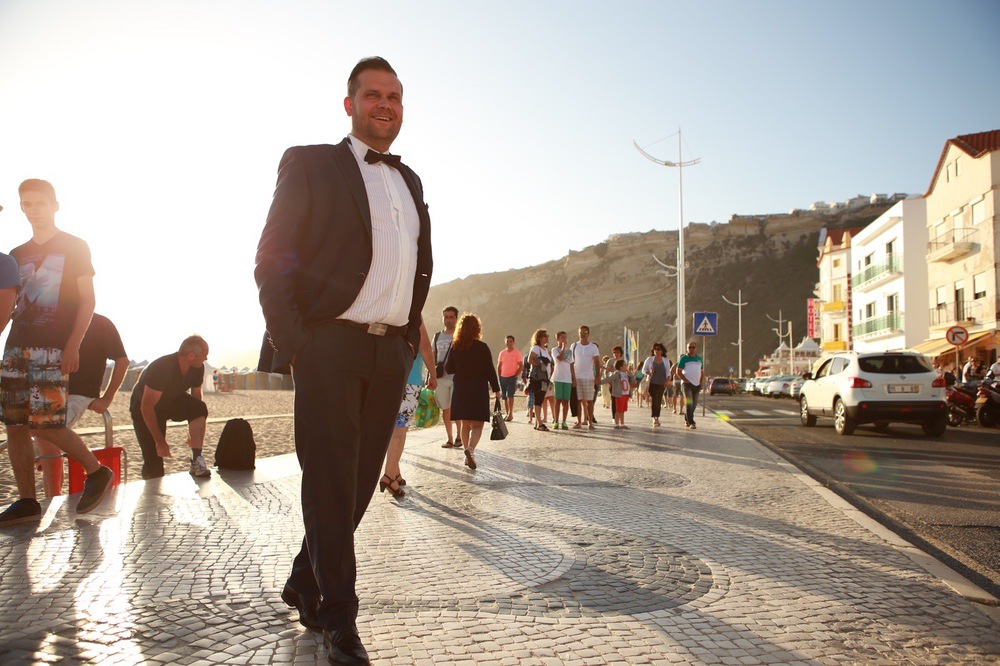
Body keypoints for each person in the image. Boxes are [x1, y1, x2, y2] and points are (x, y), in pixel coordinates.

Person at [255, 57, 432, 665]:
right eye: (374, 94)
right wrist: (298, 342)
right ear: (350, 103)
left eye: (396, 96)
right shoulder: (310, 163)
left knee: (357, 485)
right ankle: (339, 619)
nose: (386, 104)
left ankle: (306, 578)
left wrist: (409, 338)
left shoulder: (409, 182)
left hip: (390, 351)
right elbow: (272, 257)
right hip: (330, 345)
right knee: (330, 483)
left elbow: (416, 266)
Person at [0, 179, 113, 528]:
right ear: (21, 207)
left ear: (55, 205)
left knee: (45, 423)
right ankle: (27, 500)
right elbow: (10, 305)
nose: (34, 209)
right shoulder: (16, 254)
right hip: (16, 345)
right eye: (27, 203)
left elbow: (88, 301)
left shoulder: (75, 246)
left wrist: (73, 345)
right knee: (15, 425)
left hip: (53, 348)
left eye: (40, 203)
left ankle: (97, 471)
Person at [34, 313, 129, 497]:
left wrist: (107, 397)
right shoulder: (52, 317)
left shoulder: (100, 323)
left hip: (80, 392)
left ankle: (53, 497)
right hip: (49, 387)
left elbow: (122, 360)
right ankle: (51, 495)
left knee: (47, 429)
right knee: (38, 431)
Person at [130, 336, 211, 479]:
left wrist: (193, 427)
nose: (206, 358)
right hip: (145, 408)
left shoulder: (198, 368)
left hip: (171, 401)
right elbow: (147, 407)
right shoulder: (162, 367)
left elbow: (196, 398)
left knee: (199, 407)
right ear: (191, 356)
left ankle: (197, 460)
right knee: (154, 461)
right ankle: (151, 498)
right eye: (204, 354)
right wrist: (159, 440)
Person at [379, 323, 436, 499]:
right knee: (399, 431)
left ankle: (395, 471)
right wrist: (433, 375)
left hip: (384, 378)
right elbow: (425, 346)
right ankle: (389, 475)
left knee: (391, 428)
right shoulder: (413, 313)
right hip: (409, 381)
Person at [445, 314, 500, 470]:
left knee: (465, 424)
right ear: (477, 328)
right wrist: (496, 389)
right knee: (477, 425)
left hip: (461, 388)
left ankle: (465, 453)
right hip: (478, 388)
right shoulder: (482, 347)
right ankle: (470, 449)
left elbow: (449, 368)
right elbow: (490, 370)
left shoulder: (455, 346)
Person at [434, 306, 461, 448]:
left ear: (456, 318)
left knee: (457, 408)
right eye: (446, 317)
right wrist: (430, 376)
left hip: (457, 377)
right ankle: (450, 438)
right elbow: (433, 356)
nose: (448, 320)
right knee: (446, 409)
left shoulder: (460, 335)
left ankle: (459, 437)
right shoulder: (437, 336)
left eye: (451, 317)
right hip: (441, 378)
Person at [571, 325, 601, 430]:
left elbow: (597, 362)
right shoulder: (574, 346)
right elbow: (571, 362)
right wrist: (573, 377)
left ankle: (590, 422)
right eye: (581, 332)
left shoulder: (593, 347)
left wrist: (598, 376)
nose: (583, 335)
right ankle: (579, 422)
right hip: (577, 376)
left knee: (589, 401)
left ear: (588, 333)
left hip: (589, 377)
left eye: (585, 332)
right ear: (578, 334)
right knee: (578, 400)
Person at [527, 329, 552, 431]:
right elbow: (530, 360)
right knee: (538, 400)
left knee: (540, 400)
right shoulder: (536, 348)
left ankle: (538, 423)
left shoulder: (545, 349)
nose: (547, 337)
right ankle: (540, 423)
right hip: (538, 379)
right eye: (545, 336)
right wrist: (540, 364)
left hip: (544, 378)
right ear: (540, 338)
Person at [641, 342, 672, 427]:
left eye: (658, 349)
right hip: (652, 383)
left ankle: (656, 417)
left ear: (662, 351)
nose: (656, 351)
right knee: (654, 399)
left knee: (658, 401)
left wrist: (668, 380)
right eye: (655, 349)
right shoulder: (650, 359)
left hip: (661, 383)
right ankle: (655, 418)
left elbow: (668, 372)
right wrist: (649, 372)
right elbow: (644, 370)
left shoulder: (665, 360)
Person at [550, 331, 575, 430]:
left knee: (566, 401)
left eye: (565, 337)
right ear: (557, 339)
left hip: (567, 378)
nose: (564, 339)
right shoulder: (555, 350)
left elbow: (571, 364)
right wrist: (563, 348)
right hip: (558, 377)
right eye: (562, 337)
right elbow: (560, 359)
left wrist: (573, 378)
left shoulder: (570, 351)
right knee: (558, 400)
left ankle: (564, 421)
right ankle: (556, 421)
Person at [677, 341, 705, 429]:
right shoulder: (684, 358)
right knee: (689, 403)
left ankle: (687, 419)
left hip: (696, 385)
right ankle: (692, 422)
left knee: (694, 404)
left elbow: (702, 372)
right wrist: (685, 380)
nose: (691, 349)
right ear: (687, 348)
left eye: (693, 347)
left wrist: (701, 382)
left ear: (696, 348)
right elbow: (678, 372)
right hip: (686, 384)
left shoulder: (699, 359)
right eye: (689, 347)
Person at [600, 359, 634, 429]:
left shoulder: (626, 375)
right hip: (619, 394)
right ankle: (616, 424)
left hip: (625, 394)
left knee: (623, 410)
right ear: (620, 367)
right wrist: (600, 382)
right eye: (625, 365)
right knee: (619, 410)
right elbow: (609, 379)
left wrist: (630, 373)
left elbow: (633, 381)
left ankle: (622, 423)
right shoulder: (617, 374)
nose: (626, 367)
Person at [496, 335, 522, 422]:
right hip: (503, 377)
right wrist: (499, 376)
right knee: (504, 397)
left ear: (513, 342)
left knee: (510, 395)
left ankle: (510, 414)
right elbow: (499, 366)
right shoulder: (502, 353)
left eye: (511, 341)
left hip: (512, 377)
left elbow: (521, 366)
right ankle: (507, 414)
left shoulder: (517, 353)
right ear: (505, 342)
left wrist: (516, 375)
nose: (509, 343)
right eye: (507, 341)